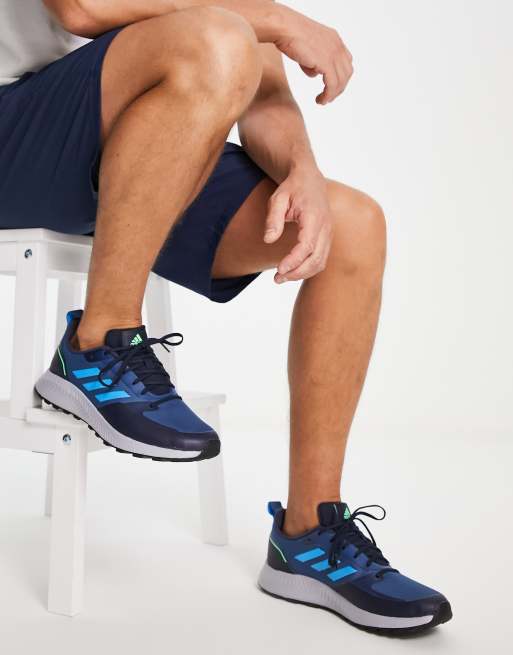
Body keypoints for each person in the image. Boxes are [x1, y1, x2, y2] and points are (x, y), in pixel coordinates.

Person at [0, 0, 452, 634]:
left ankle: (309, 536)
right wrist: (283, 21)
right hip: (14, 127)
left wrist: (302, 171)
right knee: (216, 35)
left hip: (126, 149)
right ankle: (99, 344)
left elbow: (262, 85)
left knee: (354, 227)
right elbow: (83, 7)